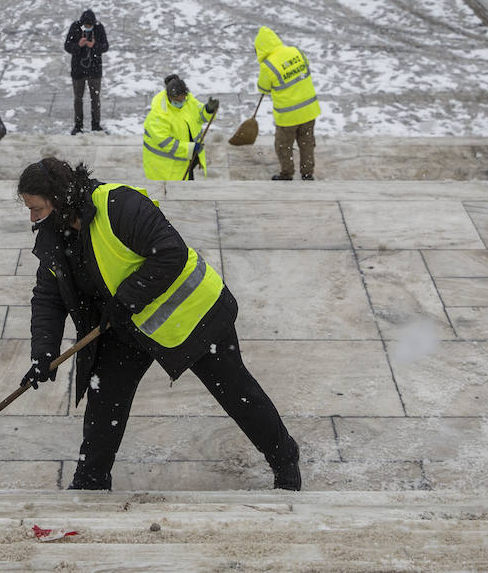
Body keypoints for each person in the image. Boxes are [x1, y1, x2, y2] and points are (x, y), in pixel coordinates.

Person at [17, 156, 300, 491]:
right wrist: (43, 353)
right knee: (104, 402)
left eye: (37, 208)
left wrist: (126, 300)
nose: (33, 218)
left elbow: (171, 252)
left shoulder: (118, 204)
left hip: (192, 316)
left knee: (237, 393)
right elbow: (48, 297)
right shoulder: (54, 236)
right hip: (123, 328)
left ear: (61, 201)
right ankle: (90, 480)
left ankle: (284, 459)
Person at [254, 27, 321, 181]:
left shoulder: (268, 65)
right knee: (307, 143)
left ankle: (287, 173)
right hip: (309, 110)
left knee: (284, 146)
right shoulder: (295, 51)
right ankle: (307, 173)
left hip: (288, 115)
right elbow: (306, 67)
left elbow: (263, 88)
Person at [142, 74, 218, 181]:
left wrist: (208, 110)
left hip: (186, 160)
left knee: (188, 181)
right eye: (176, 101)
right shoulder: (159, 115)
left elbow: (199, 116)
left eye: (182, 99)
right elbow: (167, 143)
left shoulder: (188, 100)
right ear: (169, 97)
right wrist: (191, 148)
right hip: (167, 168)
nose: (180, 103)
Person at [64, 9, 109, 135]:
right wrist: (78, 45)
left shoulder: (99, 28)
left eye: (90, 25)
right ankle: (78, 125)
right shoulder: (75, 27)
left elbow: (105, 46)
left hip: (94, 70)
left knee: (95, 98)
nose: (88, 28)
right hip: (78, 69)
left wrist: (93, 46)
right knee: (78, 98)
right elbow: (67, 46)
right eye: (86, 25)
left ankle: (96, 125)